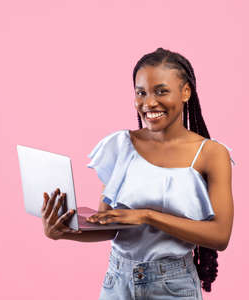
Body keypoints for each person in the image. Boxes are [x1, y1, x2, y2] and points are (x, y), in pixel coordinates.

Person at [40, 47, 235, 300]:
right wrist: (63, 233)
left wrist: (147, 216)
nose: (149, 102)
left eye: (161, 91)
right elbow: (110, 225)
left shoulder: (211, 153)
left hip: (172, 286)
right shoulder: (121, 145)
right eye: (141, 92)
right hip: (117, 280)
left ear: (185, 92)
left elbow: (220, 236)